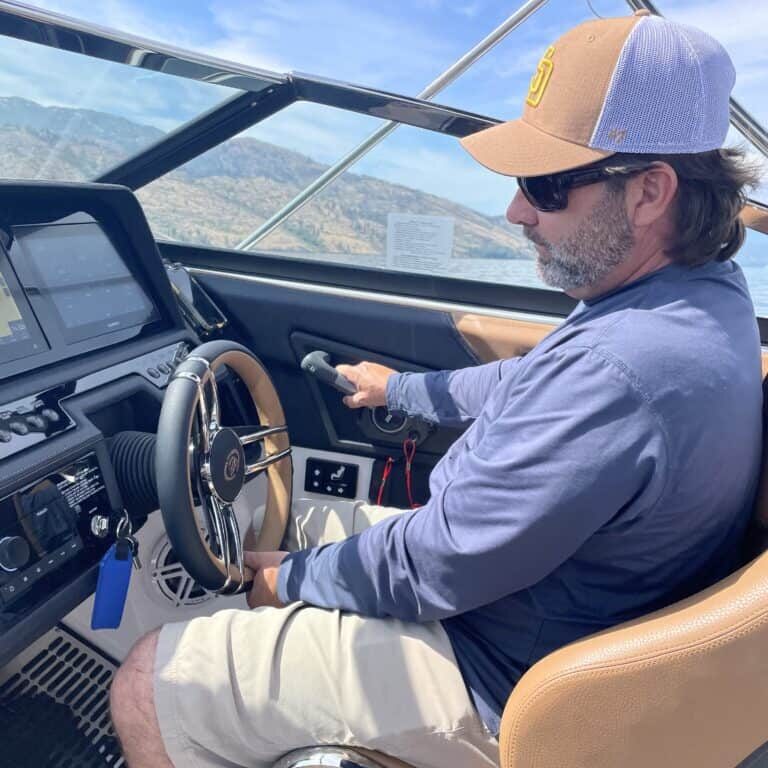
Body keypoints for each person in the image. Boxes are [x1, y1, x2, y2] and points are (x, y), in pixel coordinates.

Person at [110, 9, 764, 768]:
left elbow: (435, 564)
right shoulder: (700, 298)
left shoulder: (625, 366)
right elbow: (531, 381)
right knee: (268, 513)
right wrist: (402, 390)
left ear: (651, 192)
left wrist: (286, 581)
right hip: (525, 603)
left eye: (546, 186)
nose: (517, 210)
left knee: (149, 679)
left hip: (493, 669)